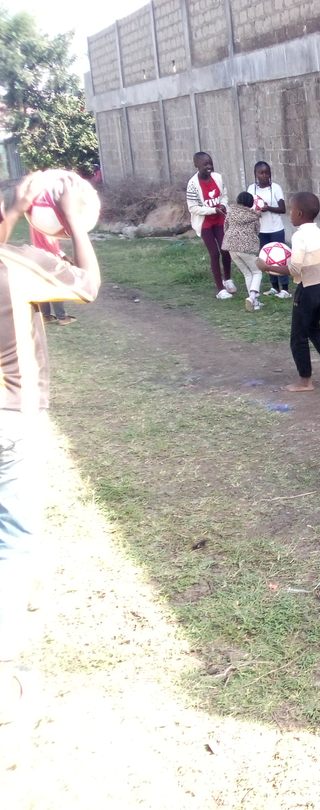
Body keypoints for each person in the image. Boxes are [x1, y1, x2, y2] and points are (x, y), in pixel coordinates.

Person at [0, 172, 101, 722]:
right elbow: (87, 285)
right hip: (10, 417)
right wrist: (73, 222)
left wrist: (11, 210)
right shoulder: (16, 264)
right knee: (13, 539)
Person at [258, 191, 320, 392]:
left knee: (298, 337)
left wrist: (267, 267)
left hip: (308, 290)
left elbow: (295, 269)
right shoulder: (319, 232)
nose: (290, 214)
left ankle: (305, 381)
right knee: (314, 328)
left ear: (300, 213)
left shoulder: (299, 236)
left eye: (292, 210)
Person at [186, 151, 236, 299]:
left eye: (210, 163)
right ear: (196, 165)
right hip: (205, 223)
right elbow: (193, 208)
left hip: (219, 220)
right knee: (214, 253)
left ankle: (228, 280)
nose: (209, 166)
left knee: (225, 249)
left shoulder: (218, 178)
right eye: (205, 164)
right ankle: (220, 289)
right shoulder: (193, 184)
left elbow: (224, 195)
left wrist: (223, 205)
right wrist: (212, 210)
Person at [247, 161, 290, 299]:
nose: (264, 175)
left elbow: (282, 209)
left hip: (276, 229)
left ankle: (285, 289)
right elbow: (248, 207)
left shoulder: (275, 188)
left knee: (280, 258)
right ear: (256, 174)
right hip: (261, 231)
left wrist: (268, 208)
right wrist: (255, 210)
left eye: (267, 172)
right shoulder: (251, 189)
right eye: (261, 173)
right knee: (266, 259)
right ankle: (274, 287)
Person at [221, 191, 264, 311]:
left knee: (247, 273)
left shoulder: (230, 212)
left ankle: (254, 302)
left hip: (231, 246)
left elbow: (225, 227)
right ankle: (252, 297)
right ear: (251, 203)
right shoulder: (253, 216)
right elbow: (257, 231)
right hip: (246, 248)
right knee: (257, 272)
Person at [30, 229, 76, 325]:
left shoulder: (34, 222)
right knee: (57, 286)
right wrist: (62, 257)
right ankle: (62, 317)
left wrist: (63, 255)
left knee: (43, 286)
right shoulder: (46, 224)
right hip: (50, 257)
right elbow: (50, 244)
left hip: (38, 256)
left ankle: (45, 316)